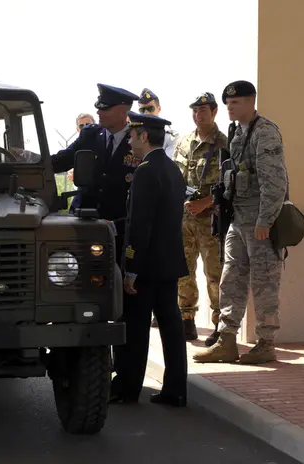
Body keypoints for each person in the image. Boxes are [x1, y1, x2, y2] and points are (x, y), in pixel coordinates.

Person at [193, 80, 288, 365]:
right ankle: (227, 339)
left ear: (251, 101)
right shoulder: (237, 133)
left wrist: (265, 220)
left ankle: (266, 342)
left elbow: (275, 182)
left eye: (236, 102)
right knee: (230, 279)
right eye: (228, 104)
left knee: (264, 282)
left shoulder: (265, 132)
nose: (230, 108)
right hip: (238, 218)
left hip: (259, 221)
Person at [110, 111, 189, 406]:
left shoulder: (145, 171)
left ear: (144, 136)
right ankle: (176, 389)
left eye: (132, 135)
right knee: (171, 327)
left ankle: (128, 389)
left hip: (146, 266)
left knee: (136, 328)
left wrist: (131, 269)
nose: (129, 140)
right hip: (169, 263)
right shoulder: (171, 168)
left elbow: (140, 225)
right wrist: (113, 224)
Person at [52, 83, 140, 257]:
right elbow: (61, 161)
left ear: (123, 111)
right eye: (98, 108)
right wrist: (28, 161)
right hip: (85, 221)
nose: (98, 113)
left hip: (118, 227)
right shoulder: (90, 135)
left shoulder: (139, 139)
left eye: (105, 109)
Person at [172, 92, 228, 344]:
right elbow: (176, 178)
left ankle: (219, 325)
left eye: (203, 110)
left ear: (214, 112)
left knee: (215, 274)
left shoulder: (224, 144)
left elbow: (231, 185)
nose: (198, 115)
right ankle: (186, 320)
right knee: (183, 270)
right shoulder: (184, 143)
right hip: (185, 219)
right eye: (195, 111)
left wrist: (207, 202)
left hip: (210, 220)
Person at [137, 88, 179, 159]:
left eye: (150, 109)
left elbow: (165, 164)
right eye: (142, 110)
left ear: (159, 109)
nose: (146, 113)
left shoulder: (170, 138)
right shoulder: (134, 133)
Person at [67, 113, 97, 182]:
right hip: (82, 188)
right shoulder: (75, 146)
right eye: (81, 126)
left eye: (88, 125)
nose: (85, 128)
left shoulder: (103, 141)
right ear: (77, 129)